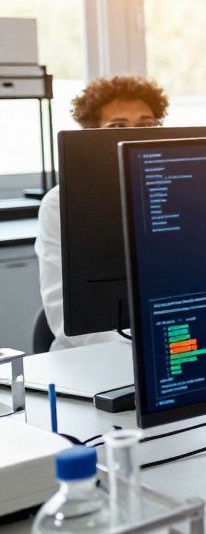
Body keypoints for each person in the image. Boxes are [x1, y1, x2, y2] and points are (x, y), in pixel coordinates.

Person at [36, 76, 169, 350]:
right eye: (117, 126)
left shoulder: (174, 192)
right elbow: (64, 313)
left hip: (172, 343)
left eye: (146, 125)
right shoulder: (60, 203)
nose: (135, 135)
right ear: (90, 134)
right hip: (92, 357)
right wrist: (144, 345)